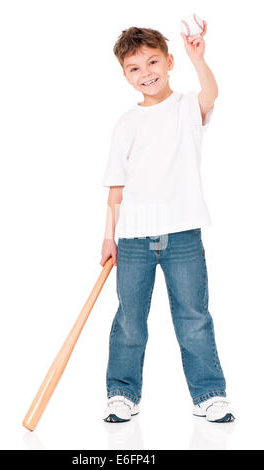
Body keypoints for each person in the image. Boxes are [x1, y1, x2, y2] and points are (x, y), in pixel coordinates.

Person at [100, 23, 235, 423]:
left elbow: (211, 93)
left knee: (194, 317)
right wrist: (109, 238)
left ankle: (209, 393)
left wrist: (199, 58)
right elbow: (115, 190)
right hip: (135, 238)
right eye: (134, 68)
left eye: (154, 61)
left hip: (183, 234)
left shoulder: (187, 108)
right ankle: (122, 394)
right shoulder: (125, 124)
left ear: (170, 61)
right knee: (129, 320)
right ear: (125, 75)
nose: (146, 72)